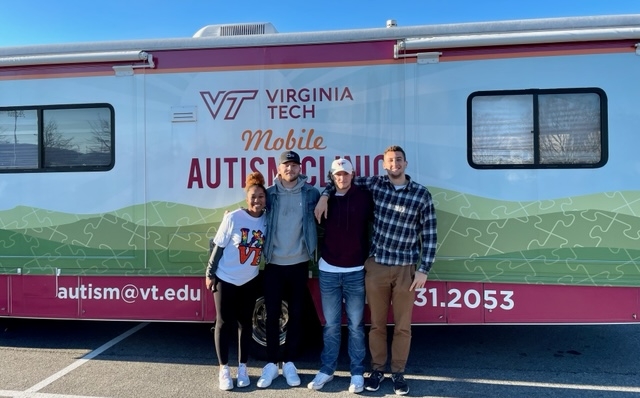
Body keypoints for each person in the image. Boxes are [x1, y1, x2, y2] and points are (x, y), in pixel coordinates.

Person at [315, 145, 437, 396]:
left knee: (403, 326)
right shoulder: (376, 185)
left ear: (406, 163)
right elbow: (342, 181)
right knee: (376, 325)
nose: (395, 164)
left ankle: (399, 373)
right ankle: (377, 371)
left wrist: (424, 269)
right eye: (390, 160)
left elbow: (430, 234)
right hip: (377, 265)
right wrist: (325, 194)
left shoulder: (421, 194)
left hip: (406, 268)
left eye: (399, 160)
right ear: (384, 164)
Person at [307, 158, 373, 394]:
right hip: (328, 270)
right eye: (337, 175)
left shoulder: (365, 197)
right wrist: (325, 195)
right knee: (332, 325)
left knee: (356, 325)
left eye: (345, 174)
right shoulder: (325, 199)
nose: (342, 178)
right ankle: (327, 370)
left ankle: (357, 373)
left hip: (356, 270)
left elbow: (376, 227)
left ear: (353, 174)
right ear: (331, 177)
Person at [257, 150, 321, 389]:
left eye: (294, 165)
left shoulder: (311, 193)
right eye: (286, 165)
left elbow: (331, 197)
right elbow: (253, 209)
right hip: (273, 263)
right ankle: (272, 364)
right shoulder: (270, 194)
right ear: (278, 168)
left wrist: (325, 197)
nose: (290, 169)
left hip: (299, 262)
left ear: (300, 169)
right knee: (272, 315)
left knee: (296, 315)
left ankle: (290, 363)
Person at [205, 171, 267, 391]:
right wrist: (210, 273)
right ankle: (224, 370)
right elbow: (218, 246)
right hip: (225, 279)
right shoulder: (233, 218)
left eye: (261, 196)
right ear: (246, 198)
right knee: (223, 322)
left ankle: (242, 369)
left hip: (249, 280)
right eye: (253, 197)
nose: (257, 201)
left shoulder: (267, 220)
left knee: (245, 324)